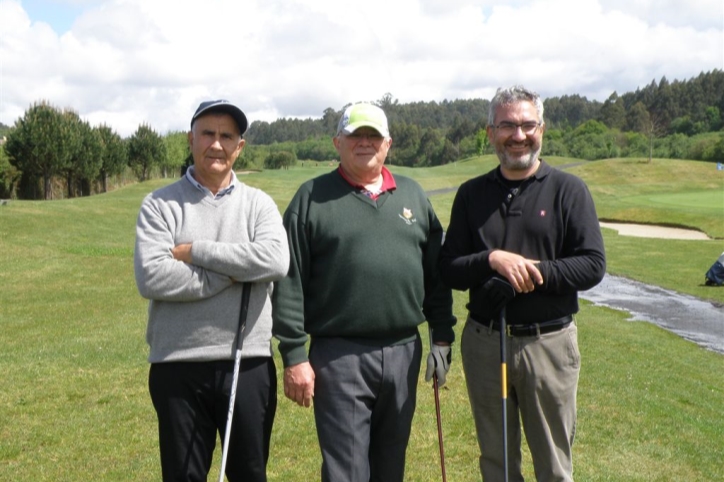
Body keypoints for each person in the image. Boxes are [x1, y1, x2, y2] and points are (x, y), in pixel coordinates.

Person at [272, 102, 456, 482]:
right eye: (356, 135)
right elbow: (288, 280)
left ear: (388, 143)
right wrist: (293, 354)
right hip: (340, 355)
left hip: (404, 350)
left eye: (374, 135)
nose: (365, 142)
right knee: (348, 471)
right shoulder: (311, 198)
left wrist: (441, 337)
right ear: (337, 141)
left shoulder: (413, 196)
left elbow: (435, 275)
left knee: (391, 464)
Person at [439, 86, 606, 482]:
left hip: (547, 344)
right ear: (491, 131)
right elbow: (447, 268)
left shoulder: (568, 190)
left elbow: (592, 265)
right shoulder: (471, 194)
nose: (518, 135)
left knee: (552, 464)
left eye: (527, 125)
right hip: (484, 343)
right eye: (507, 125)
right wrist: (491, 259)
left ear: (542, 129)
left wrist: (534, 272)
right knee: (497, 463)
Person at [134, 99, 289, 482]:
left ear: (240, 146)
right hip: (177, 365)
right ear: (191, 139)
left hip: (248, 363)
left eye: (227, 136)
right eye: (208, 133)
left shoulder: (259, 205)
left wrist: (197, 253)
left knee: (248, 474)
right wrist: (233, 273)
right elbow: (153, 277)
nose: (216, 144)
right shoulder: (159, 205)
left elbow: (274, 262)